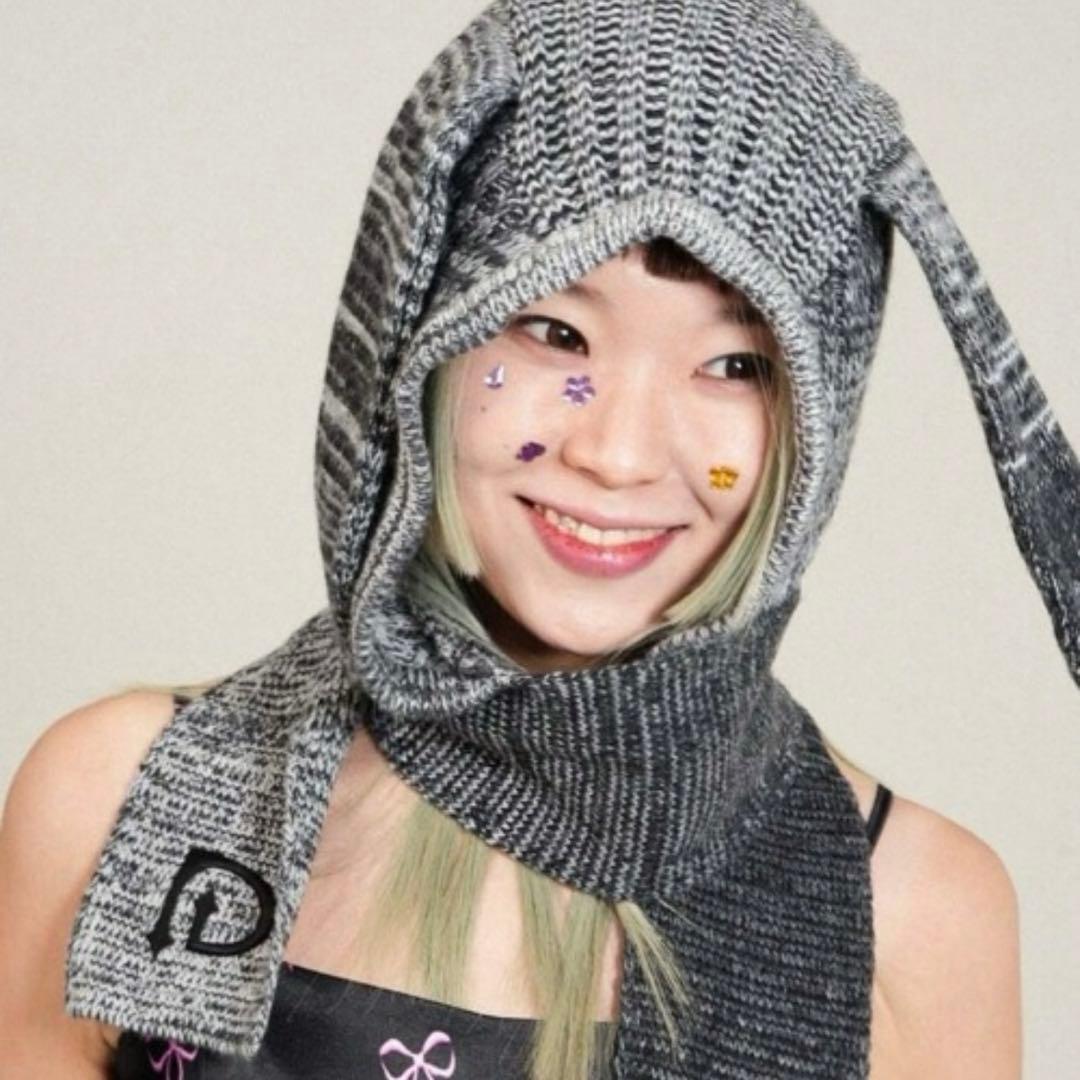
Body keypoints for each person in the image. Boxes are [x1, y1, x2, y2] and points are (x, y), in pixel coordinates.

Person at [2, 0, 1076, 1076]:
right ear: (420, 334)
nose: (619, 453)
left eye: (734, 364)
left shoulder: (919, 922)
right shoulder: (119, 801)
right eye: (555, 330)